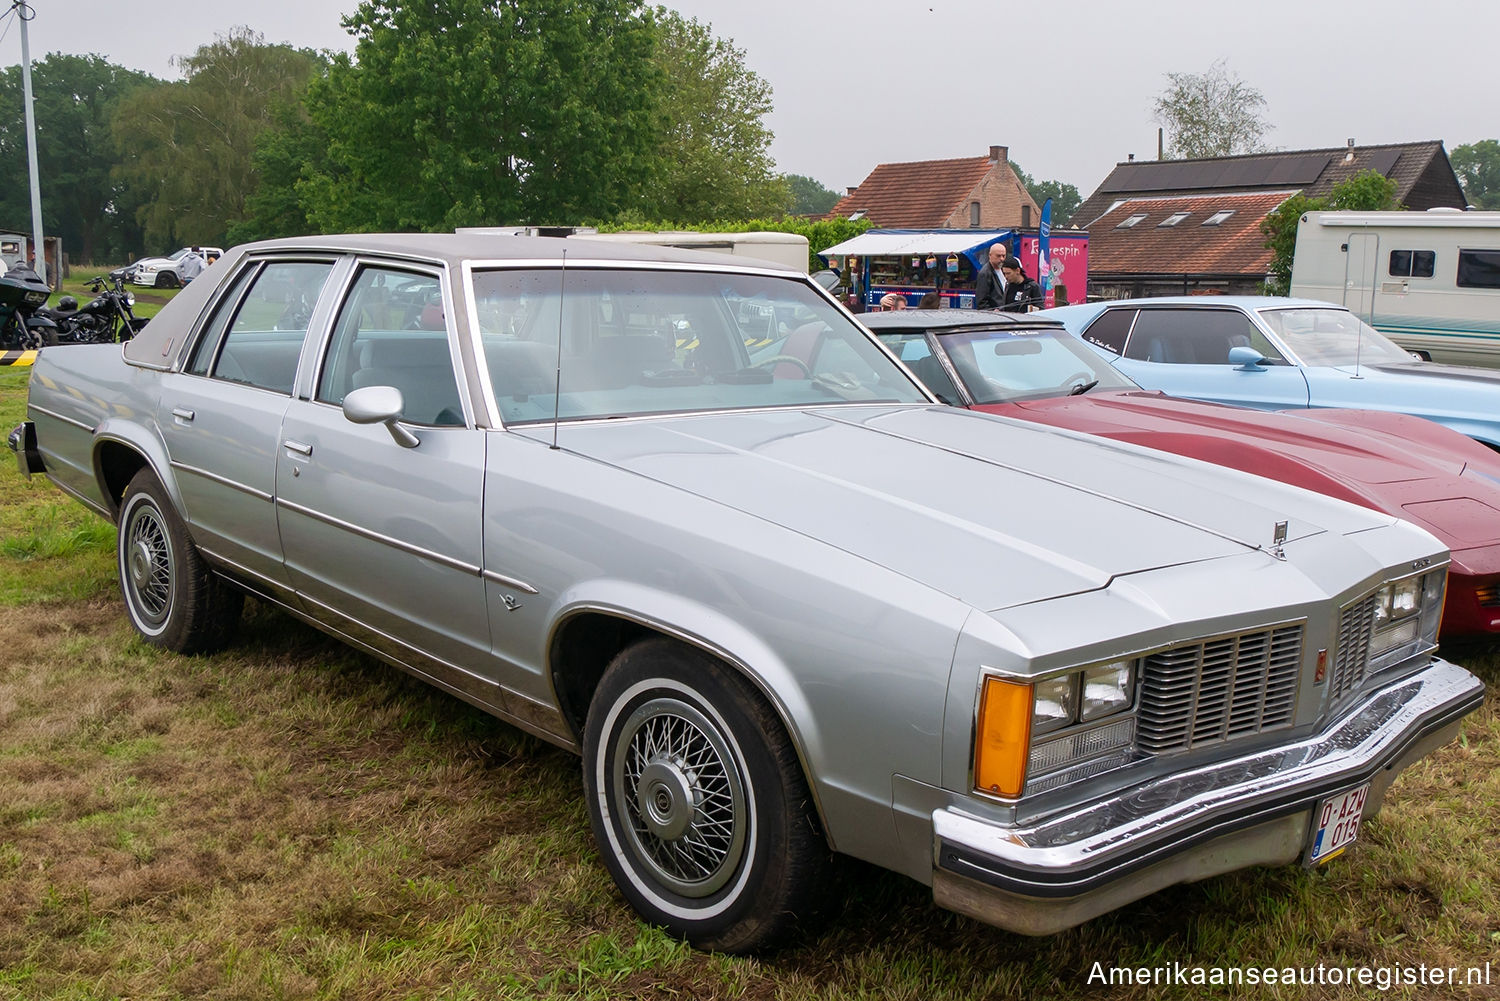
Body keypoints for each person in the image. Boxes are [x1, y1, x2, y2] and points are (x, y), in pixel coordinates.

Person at [973, 244, 1006, 310]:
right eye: (998, 256)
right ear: (990, 255)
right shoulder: (985, 273)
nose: (1002, 259)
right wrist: (992, 311)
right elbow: (981, 301)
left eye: (1003, 256)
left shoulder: (1004, 270)